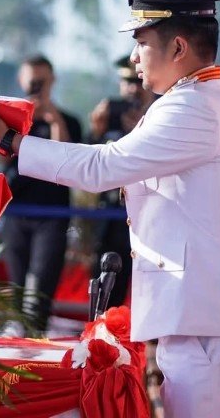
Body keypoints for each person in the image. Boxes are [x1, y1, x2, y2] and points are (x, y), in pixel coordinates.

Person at [0, 0, 220, 417]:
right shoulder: (191, 100)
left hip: (214, 321)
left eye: (142, 42)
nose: (135, 56)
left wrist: (11, 142)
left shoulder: (192, 106)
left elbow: (103, 167)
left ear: (178, 47)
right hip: (206, 316)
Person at [1, 55, 82, 331]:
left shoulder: (67, 120)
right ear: (21, 81)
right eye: (31, 82)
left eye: (41, 82)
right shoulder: (12, 120)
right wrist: (22, 121)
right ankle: (16, 343)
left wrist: (51, 116)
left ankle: (34, 339)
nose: (36, 87)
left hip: (52, 214)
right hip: (16, 211)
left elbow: (68, 160)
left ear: (52, 81)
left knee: (40, 285)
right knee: (17, 284)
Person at [87, 55, 155, 307]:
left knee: (145, 288)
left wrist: (139, 130)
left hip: (146, 216)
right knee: (104, 284)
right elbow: (89, 163)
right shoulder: (110, 118)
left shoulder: (158, 116)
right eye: (126, 82)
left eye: (136, 81)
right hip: (111, 214)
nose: (132, 89)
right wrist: (96, 130)